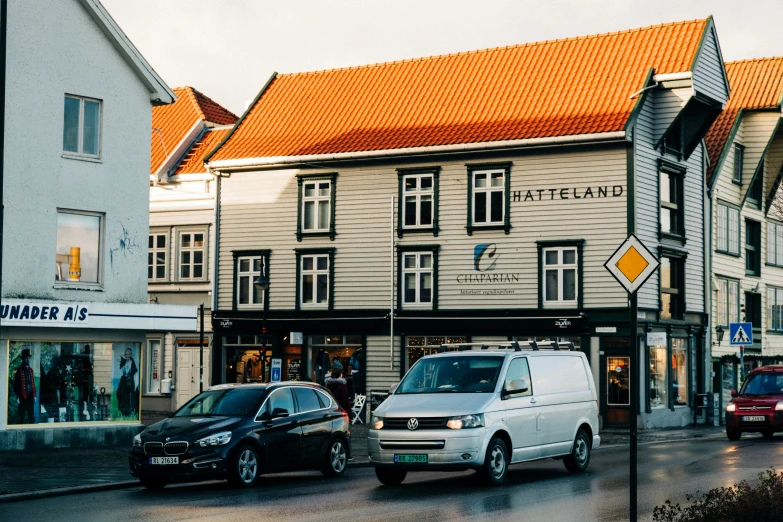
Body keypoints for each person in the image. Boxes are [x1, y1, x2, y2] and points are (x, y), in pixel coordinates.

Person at [12, 348, 37, 424]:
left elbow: (32, 383)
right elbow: (16, 383)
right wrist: (18, 396)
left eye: (28, 358)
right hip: (22, 395)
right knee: (21, 415)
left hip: (30, 395)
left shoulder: (31, 370)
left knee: (31, 415)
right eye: (26, 358)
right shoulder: (19, 370)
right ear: (23, 358)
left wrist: (34, 395)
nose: (28, 359)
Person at [116, 348, 138, 417]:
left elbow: (134, 373)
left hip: (129, 381)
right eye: (126, 354)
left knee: (128, 396)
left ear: (130, 354)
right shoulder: (124, 361)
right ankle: (122, 410)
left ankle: (128, 412)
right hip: (123, 381)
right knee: (119, 393)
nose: (127, 356)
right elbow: (119, 359)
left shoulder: (132, 362)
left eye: (128, 354)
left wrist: (135, 386)